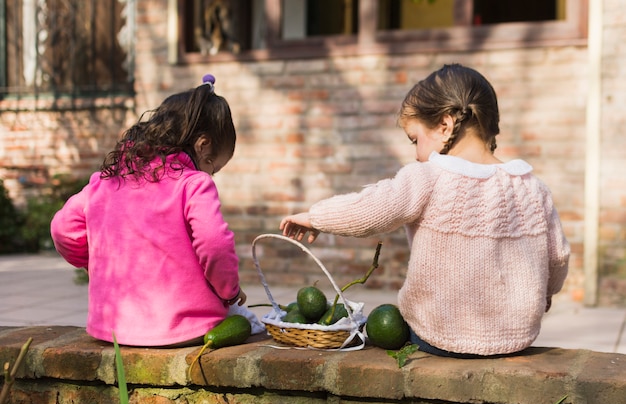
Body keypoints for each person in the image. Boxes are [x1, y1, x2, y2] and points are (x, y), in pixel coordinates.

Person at [280, 64, 570, 358]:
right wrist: (545, 293)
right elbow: (557, 257)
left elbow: (370, 208)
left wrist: (315, 217)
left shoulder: (429, 176)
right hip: (516, 339)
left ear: (444, 126)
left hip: (438, 337)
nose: (416, 153)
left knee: (385, 323)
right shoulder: (533, 188)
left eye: (415, 139)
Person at [51, 74, 248, 347]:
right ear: (203, 146)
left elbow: (62, 229)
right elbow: (214, 243)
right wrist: (229, 292)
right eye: (213, 167)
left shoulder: (107, 180)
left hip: (110, 329)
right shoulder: (193, 184)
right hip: (184, 329)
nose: (210, 175)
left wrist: (94, 263)